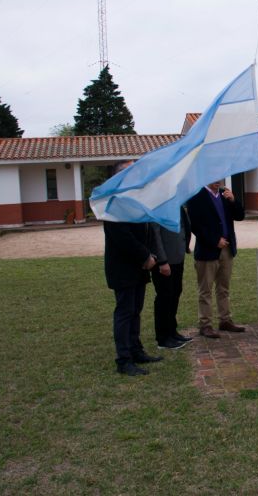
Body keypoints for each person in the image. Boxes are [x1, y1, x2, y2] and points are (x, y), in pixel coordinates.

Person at [103, 161, 163, 376]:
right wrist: (145, 255)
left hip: (138, 267)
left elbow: (143, 230)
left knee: (135, 311)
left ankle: (136, 351)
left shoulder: (134, 200)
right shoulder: (114, 203)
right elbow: (122, 237)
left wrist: (150, 255)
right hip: (123, 268)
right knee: (125, 313)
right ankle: (124, 359)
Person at [186, 179, 246, 338]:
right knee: (205, 290)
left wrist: (234, 201)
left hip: (226, 249)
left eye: (219, 178)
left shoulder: (225, 195)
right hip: (207, 251)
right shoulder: (196, 196)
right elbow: (195, 225)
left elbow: (240, 216)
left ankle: (225, 320)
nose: (217, 181)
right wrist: (214, 240)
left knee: (223, 288)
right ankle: (205, 325)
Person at [149, 207, 193, 350]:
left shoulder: (176, 204)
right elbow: (155, 235)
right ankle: (163, 338)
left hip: (177, 257)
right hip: (164, 261)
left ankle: (172, 332)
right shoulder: (156, 206)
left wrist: (185, 245)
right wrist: (162, 261)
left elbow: (184, 225)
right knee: (164, 297)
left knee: (175, 293)